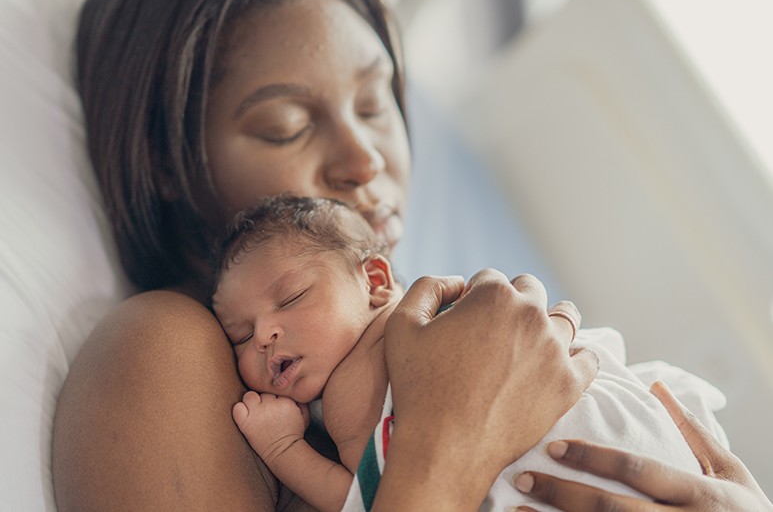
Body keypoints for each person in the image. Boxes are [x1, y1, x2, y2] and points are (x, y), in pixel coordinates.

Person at [50, 0, 772, 510]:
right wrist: (453, 435)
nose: (365, 160)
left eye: (374, 105)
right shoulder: (163, 351)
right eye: (287, 126)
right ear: (165, 160)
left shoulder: (417, 338)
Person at [210, 194, 732, 512]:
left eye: (292, 298)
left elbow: (359, 499)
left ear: (374, 281)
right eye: (238, 334)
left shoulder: (356, 387)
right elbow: (384, 493)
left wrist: (284, 451)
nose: (263, 336)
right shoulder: (356, 385)